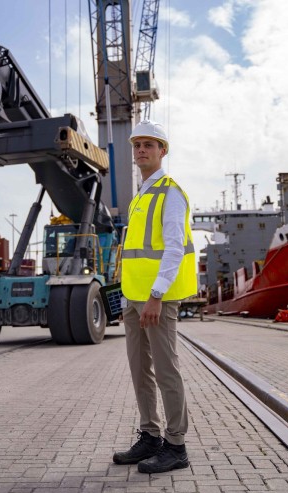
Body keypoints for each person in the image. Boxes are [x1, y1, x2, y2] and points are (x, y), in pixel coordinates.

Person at [113, 120, 197, 474]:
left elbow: (175, 248)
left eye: (149, 144)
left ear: (163, 150)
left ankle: (176, 446)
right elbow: (132, 253)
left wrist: (156, 295)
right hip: (133, 298)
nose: (141, 150)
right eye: (137, 145)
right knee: (139, 371)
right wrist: (123, 295)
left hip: (155, 300)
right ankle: (150, 436)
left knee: (166, 371)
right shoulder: (140, 197)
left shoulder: (169, 192)